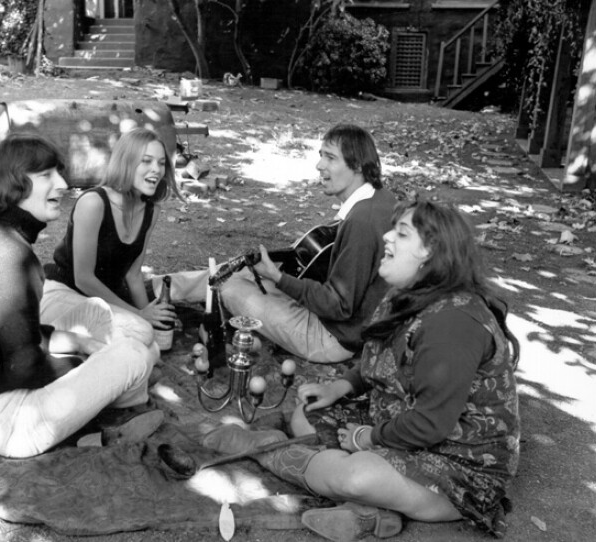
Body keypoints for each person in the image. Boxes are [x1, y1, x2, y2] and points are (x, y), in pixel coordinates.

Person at [198, 200, 521, 539]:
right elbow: (379, 359)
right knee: (305, 415)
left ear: (431, 251)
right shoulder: (407, 293)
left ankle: (267, 451)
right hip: (398, 420)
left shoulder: (453, 323)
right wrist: (341, 387)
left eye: (401, 233)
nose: (386, 237)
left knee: (356, 477)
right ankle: (374, 511)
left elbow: (429, 425)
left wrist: (366, 437)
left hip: (459, 464)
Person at [0, 133, 162, 459]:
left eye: (59, 173)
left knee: (112, 326)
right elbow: (25, 367)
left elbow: (22, 341)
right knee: (134, 354)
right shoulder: (11, 258)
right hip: (8, 420)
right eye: (46, 175)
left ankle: (115, 393)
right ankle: (120, 413)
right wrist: (86, 359)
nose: (62, 184)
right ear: (15, 184)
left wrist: (82, 343)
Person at [162, 123, 397, 363]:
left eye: (330, 158)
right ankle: (161, 288)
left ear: (357, 165)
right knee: (238, 271)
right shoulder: (379, 198)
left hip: (330, 338)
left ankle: (158, 291)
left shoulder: (362, 222)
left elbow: (338, 306)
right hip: (342, 319)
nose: (319, 165)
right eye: (320, 156)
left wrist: (280, 279)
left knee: (229, 285)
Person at [41, 127, 179, 351]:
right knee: (140, 333)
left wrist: (152, 316)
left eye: (162, 163)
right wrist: (139, 315)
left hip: (105, 301)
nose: (156, 169)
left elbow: (133, 274)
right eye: (146, 161)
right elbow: (83, 278)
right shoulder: (93, 203)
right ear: (126, 162)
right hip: (64, 293)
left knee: (149, 340)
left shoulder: (151, 211)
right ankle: (56, 342)